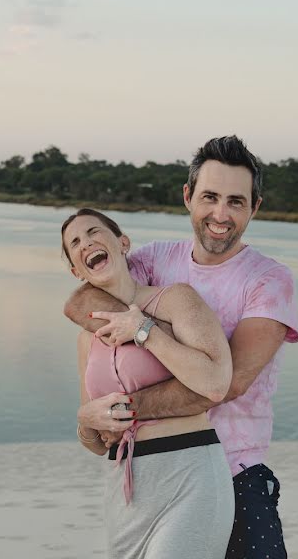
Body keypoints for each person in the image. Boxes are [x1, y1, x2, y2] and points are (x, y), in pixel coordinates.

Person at [67, 135, 298, 559]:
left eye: (236, 201)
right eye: (210, 197)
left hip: (235, 471)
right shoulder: (154, 260)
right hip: (148, 468)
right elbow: (85, 301)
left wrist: (118, 410)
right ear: (188, 196)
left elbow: (226, 385)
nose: (220, 214)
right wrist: (91, 417)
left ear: (255, 207)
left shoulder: (269, 280)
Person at [63, 208, 235, 558]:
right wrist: (85, 421)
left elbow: (216, 383)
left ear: (122, 243)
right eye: (75, 243)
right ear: (75, 270)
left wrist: (143, 331)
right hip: (125, 492)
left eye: (94, 232)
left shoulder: (176, 300)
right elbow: (98, 441)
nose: (87, 243)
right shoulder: (86, 340)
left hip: (189, 474)